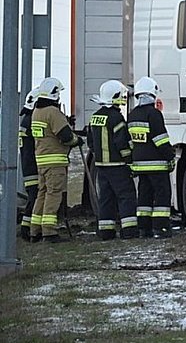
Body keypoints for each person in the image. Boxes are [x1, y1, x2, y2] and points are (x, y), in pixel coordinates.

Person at [30, 77, 83, 243]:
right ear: (54, 94)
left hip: (42, 161)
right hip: (55, 163)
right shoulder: (53, 112)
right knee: (53, 195)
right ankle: (49, 232)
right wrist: (77, 140)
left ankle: (35, 230)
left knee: (42, 194)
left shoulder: (36, 112)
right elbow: (66, 136)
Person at [87, 80, 138, 240]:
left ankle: (106, 231)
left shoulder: (94, 117)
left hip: (101, 166)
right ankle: (129, 231)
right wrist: (130, 159)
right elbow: (122, 143)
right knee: (126, 196)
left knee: (106, 198)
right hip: (118, 166)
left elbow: (90, 142)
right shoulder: (116, 118)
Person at [128, 76, 175, 238]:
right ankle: (161, 228)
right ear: (152, 94)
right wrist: (170, 155)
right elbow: (160, 139)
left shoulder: (132, 114)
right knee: (162, 196)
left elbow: (132, 141)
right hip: (157, 165)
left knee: (144, 197)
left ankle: (144, 229)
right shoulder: (154, 114)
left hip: (140, 165)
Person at [18, 88, 40, 240]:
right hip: (33, 165)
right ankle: (27, 230)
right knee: (35, 197)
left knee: (33, 197)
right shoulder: (31, 120)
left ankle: (27, 228)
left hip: (27, 165)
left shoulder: (25, 119)